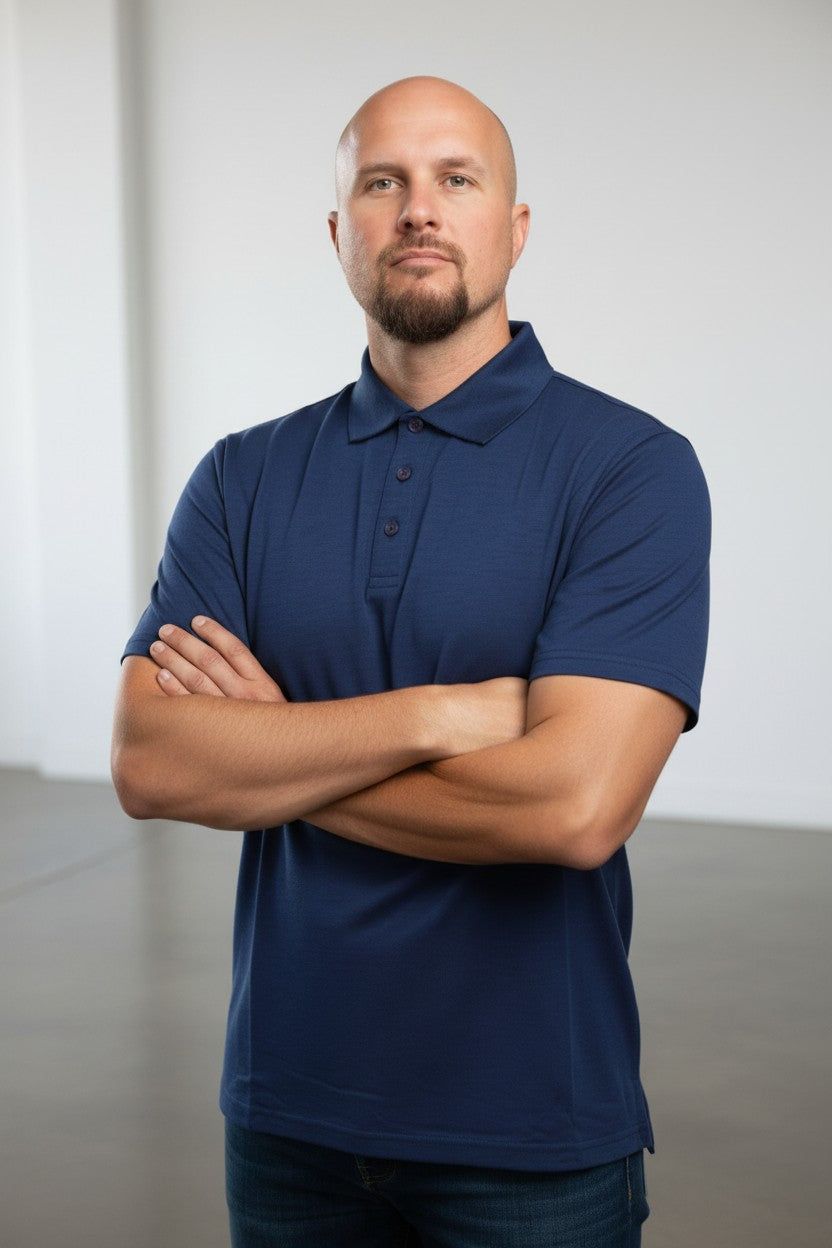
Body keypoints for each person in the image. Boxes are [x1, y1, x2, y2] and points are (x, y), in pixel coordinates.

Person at [112, 74, 710, 1247]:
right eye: (381, 183)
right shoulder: (243, 477)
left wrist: (278, 746)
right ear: (341, 232)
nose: (417, 210)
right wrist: (443, 714)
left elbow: (576, 810)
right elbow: (154, 765)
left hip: (531, 1132)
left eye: (456, 179)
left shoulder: (630, 470)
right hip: (287, 1118)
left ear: (514, 227)